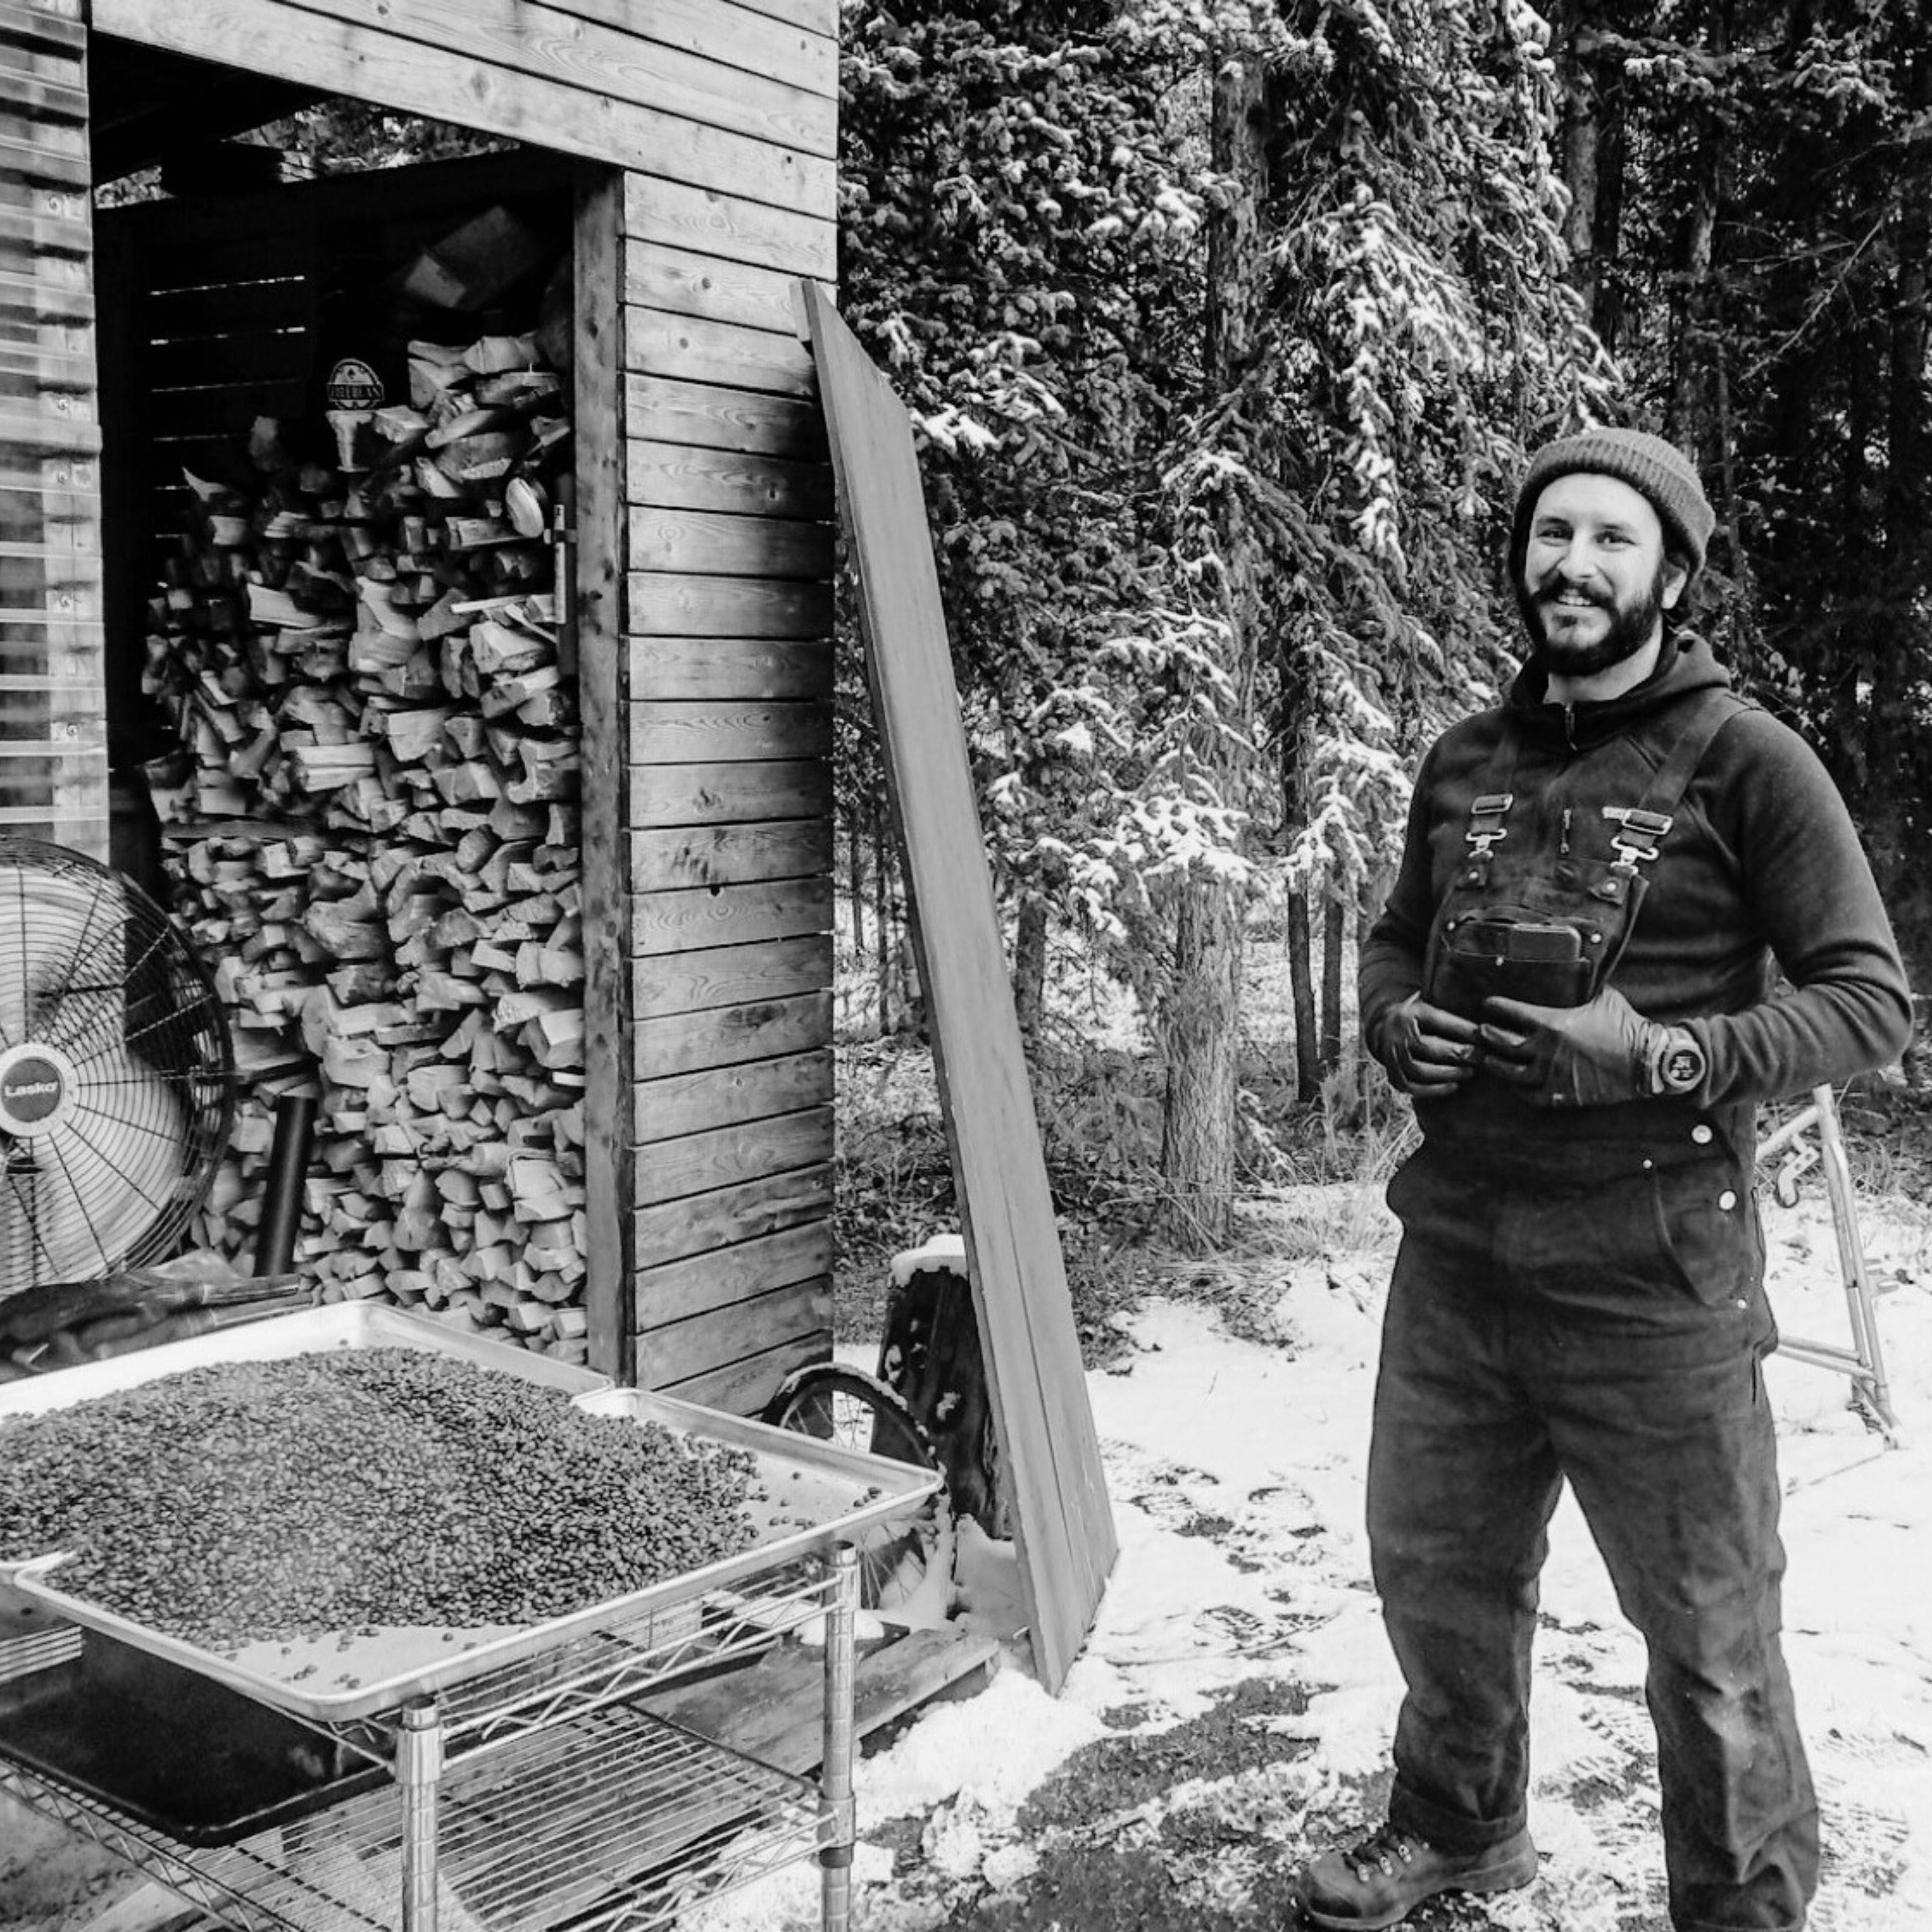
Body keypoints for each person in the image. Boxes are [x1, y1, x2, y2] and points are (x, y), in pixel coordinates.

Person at [1299, 427, 1913, 1932]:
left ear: (1673, 575)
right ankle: (1458, 1821)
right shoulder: (1466, 762)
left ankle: (1741, 1910)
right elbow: (1393, 934)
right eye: (1552, 535)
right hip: (1458, 1256)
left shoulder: (1752, 763)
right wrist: (1393, 1020)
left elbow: (1869, 1003)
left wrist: (1666, 1056)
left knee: (1708, 1636)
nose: (1573, 564)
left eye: (1612, 540)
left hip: (1656, 1271)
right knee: (1435, 1572)